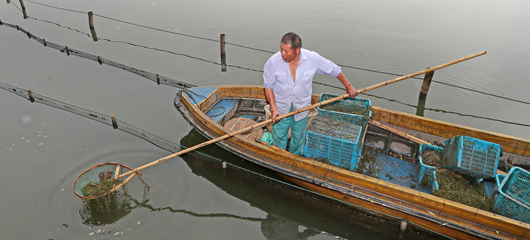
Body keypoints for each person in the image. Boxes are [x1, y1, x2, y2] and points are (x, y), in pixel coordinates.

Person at [263, 32, 358, 155]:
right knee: (279, 136)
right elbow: (268, 86)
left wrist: (348, 86)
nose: (282, 53)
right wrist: (274, 108)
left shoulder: (312, 59)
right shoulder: (273, 62)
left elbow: (334, 70)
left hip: (302, 107)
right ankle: (278, 157)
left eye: (286, 51)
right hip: (281, 107)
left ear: (297, 50)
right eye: (281, 49)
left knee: (298, 138)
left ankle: (294, 158)